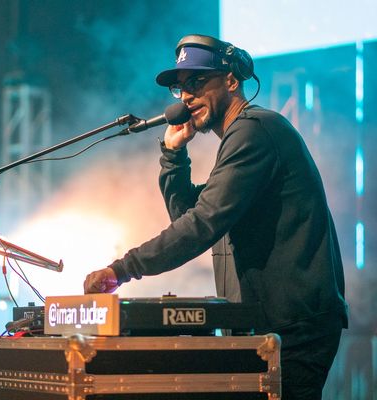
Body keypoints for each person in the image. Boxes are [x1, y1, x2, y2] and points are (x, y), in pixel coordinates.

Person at [83, 34, 348, 399]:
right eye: (180, 88)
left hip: (293, 327)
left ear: (231, 79)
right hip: (266, 324)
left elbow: (202, 224)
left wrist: (122, 268)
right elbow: (190, 218)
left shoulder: (255, 131)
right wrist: (174, 157)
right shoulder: (242, 140)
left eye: (196, 82)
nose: (186, 95)